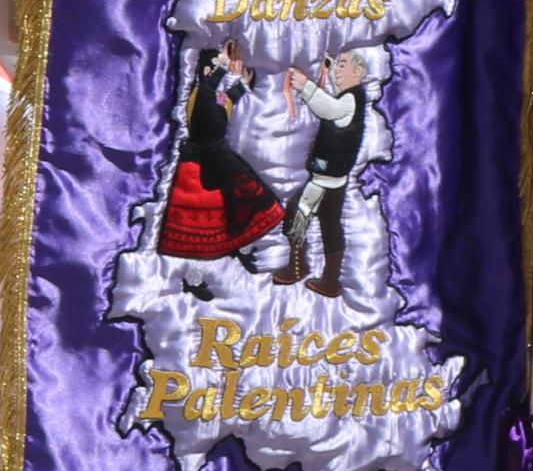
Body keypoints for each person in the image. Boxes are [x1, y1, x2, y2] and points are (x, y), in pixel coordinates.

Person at [155, 41, 285, 269]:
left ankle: (242, 248)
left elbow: (225, 101)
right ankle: (194, 279)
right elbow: (209, 91)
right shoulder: (200, 94)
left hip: (222, 160)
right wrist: (223, 65)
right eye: (212, 67)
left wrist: (241, 86)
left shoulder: (211, 95)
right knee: (202, 231)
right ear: (207, 71)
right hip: (201, 167)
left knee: (241, 208)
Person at [275, 49, 372, 299]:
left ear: (358, 72)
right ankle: (329, 279)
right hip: (333, 180)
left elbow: (330, 108)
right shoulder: (352, 98)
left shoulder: (350, 100)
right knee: (329, 225)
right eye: (336, 65)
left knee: (298, 214)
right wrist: (327, 73)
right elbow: (334, 103)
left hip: (324, 181)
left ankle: (301, 269)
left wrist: (305, 87)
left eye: (343, 65)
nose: (337, 70)